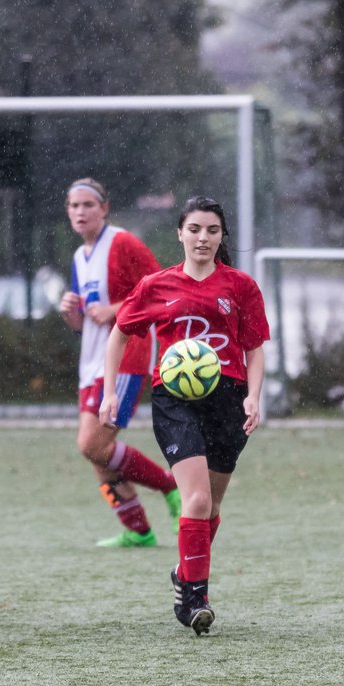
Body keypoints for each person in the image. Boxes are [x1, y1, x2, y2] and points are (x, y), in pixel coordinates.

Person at [101, 196, 269, 635]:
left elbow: (254, 348)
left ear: (221, 236)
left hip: (228, 399)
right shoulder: (157, 285)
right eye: (194, 229)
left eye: (212, 230)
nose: (203, 238)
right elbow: (119, 335)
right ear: (180, 233)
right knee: (195, 500)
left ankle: (184, 573)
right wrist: (110, 394)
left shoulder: (241, 286)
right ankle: (194, 598)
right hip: (174, 399)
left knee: (211, 506)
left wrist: (253, 397)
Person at [57, 178, 180, 548]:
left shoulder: (122, 242)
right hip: (91, 362)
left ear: (104, 209)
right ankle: (138, 529)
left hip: (128, 356)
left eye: (88, 205)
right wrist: (70, 314)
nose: (80, 212)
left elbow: (162, 287)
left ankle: (170, 486)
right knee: (97, 454)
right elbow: (84, 323)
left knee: (92, 444)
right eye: (74, 206)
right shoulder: (80, 257)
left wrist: (114, 308)